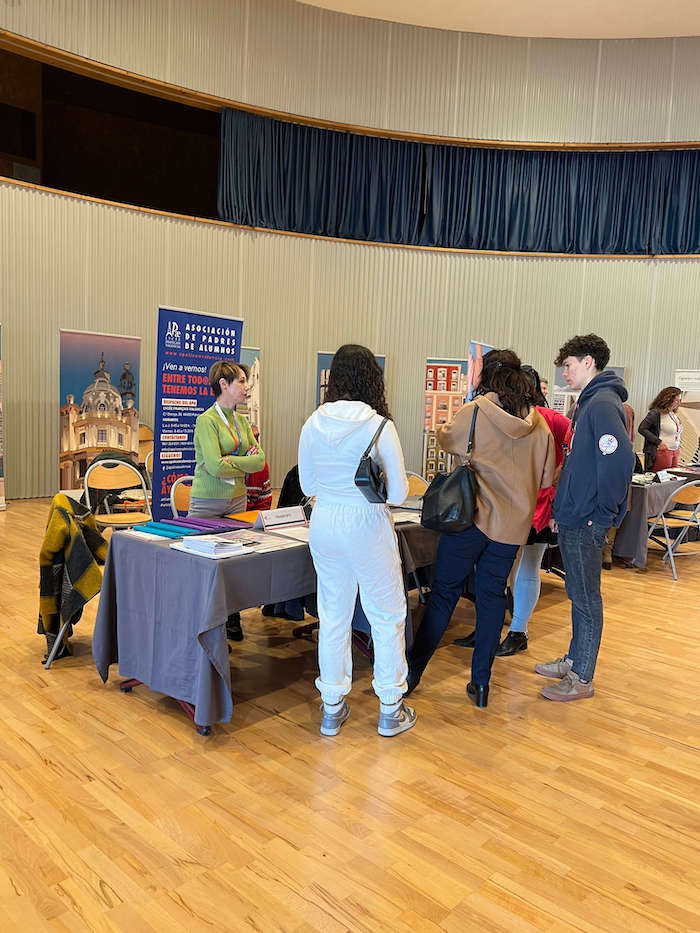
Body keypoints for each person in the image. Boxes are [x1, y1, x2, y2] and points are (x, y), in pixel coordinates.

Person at [406, 349, 555, 708]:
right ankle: (481, 684)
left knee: (444, 595)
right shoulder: (541, 425)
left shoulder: (474, 412)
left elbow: (444, 438)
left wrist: (469, 398)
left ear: (484, 376)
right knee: (491, 600)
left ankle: (411, 674)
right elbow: (548, 476)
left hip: (468, 520)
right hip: (511, 528)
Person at [298, 344, 415, 738]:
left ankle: (331, 708)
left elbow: (307, 484)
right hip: (367, 522)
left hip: (326, 521)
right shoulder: (379, 425)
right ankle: (390, 708)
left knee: (333, 615)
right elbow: (398, 493)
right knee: (385, 614)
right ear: (372, 378)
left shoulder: (313, 422)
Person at [536, 334, 635, 701]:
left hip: (588, 520)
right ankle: (575, 659)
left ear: (589, 361)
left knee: (587, 599)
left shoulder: (602, 405)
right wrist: (563, 510)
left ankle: (582, 677)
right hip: (576, 516)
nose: (564, 374)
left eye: (569, 365)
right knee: (578, 595)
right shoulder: (589, 405)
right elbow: (579, 466)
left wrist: (601, 514)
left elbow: (619, 462)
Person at [495, 366, 570, 657]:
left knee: (526, 566)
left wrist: (554, 489)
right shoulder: (504, 419)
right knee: (503, 567)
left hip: (538, 507)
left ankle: (518, 630)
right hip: (508, 505)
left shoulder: (554, 420)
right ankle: (499, 625)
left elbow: (571, 455)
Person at [190, 360, 265, 641]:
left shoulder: (242, 421)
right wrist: (242, 461)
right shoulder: (206, 421)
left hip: (237, 501)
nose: (247, 387)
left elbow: (259, 462)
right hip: (207, 503)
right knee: (206, 567)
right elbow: (213, 465)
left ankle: (231, 619)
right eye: (242, 381)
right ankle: (205, 627)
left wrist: (230, 460)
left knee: (233, 562)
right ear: (224, 385)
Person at [638, 387, 683, 472]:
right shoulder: (655, 413)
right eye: (676, 400)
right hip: (662, 452)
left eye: (680, 400)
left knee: (673, 480)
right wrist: (659, 442)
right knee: (661, 481)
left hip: (674, 451)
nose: (678, 403)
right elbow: (642, 429)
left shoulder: (672, 414)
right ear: (668, 399)